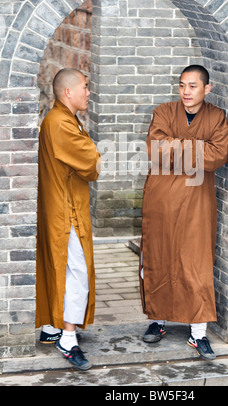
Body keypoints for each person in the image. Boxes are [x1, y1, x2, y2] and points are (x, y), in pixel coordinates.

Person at [140, 65, 228, 360]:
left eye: (192, 86)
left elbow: (217, 156)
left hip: (197, 203)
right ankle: (158, 321)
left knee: (196, 262)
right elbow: (156, 150)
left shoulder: (216, 117)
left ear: (207, 88)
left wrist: (177, 145)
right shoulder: (164, 112)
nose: (186, 92)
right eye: (182, 86)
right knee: (160, 256)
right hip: (162, 200)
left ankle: (198, 334)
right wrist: (197, 147)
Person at [36, 68, 101, 370]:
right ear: (68, 93)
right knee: (77, 271)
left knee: (58, 266)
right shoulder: (61, 123)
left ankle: (52, 326)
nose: (88, 92)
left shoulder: (61, 118)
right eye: (85, 87)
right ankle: (68, 338)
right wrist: (94, 154)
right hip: (66, 211)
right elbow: (91, 163)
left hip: (60, 204)